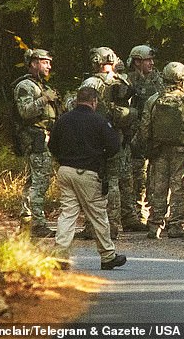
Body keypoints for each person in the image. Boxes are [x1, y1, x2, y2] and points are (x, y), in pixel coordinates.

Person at [49, 86, 126, 270]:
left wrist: (63, 159)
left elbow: (52, 145)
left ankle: (60, 255)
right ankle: (107, 256)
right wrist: (101, 155)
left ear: (76, 101)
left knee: (68, 214)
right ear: (94, 102)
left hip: (65, 171)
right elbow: (115, 146)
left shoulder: (63, 120)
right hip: (89, 173)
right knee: (97, 214)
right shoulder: (99, 121)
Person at [78, 47, 143, 239]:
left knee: (100, 182)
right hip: (120, 137)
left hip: (97, 139)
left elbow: (81, 109)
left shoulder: (91, 82)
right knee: (123, 179)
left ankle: (96, 226)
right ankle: (124, 219)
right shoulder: (123, 80)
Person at [133, 62, 184, 239]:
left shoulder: (153, 100)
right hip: (181, 151)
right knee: (179, 187)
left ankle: (155, 225)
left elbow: (144, 126)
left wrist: (148, 145)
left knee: (158, 187)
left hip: (158, 150)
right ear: (182, 78)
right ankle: (175, 225)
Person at [12, 48, 62, 238]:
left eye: (49, 62)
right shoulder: (26, 86)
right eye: (44, 62)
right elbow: (25, 112)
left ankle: (27, 220)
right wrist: (44, 99)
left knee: (35, 181)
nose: (49, 65)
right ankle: (37, 223)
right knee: (39, 181)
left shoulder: (39, 85)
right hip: (35, 137)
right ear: (33, 63)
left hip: (44, 136)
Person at [126, 45, 164, 223]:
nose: (151, 63)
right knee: (136, 176)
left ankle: (153, 213)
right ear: (137, 61)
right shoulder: (127, 81)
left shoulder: (159, 80)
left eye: (151, 60)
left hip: (154, 136)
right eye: (148, 60)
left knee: (154, 177)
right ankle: (135, 213)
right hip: (133, 135)